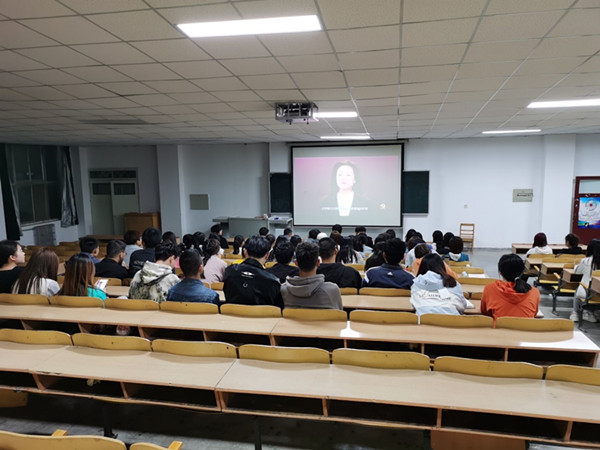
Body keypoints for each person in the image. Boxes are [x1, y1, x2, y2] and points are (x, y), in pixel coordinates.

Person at [223, 235, 283, 307]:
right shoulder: (273, 281)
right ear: (267, 255)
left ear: (245, 251)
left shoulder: (230, 271)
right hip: (262, 314)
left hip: (231, 313)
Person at [281, 241, 343, 310]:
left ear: (296, 263)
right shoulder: (332, 290)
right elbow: (339, 314)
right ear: (318, 262)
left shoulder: (284, 289)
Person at [481, 254, 540, 324]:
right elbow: (534, 314)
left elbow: (485, 313)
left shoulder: (490, 289)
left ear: (500, 272)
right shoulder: (534, 292)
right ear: (522, 272)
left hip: (499, 330)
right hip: (526, 330)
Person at [570, 238, 600, 323]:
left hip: (588, 294)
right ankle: (592, 312)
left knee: (579, 288)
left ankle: (575, 313)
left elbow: (577, 271)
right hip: (598, 293)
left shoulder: (586, 261)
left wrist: (575, 266)